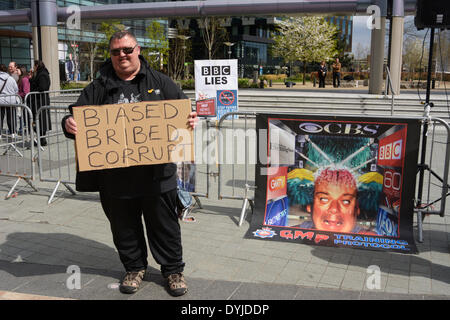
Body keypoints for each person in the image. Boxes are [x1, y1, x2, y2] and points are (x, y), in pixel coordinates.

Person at [61, 30, 198, 296]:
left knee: (165, 227)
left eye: (127, 50)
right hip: (115, 177)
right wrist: (68, 124)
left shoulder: (161, 82)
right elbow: (74, 118)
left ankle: (173, 271)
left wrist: (190, 121)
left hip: (157, 175)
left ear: (138, 51)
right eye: (115, 51)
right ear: (111, 55)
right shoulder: (98, 86)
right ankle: (134, 268)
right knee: (124, 227)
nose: (122, 55)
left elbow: (183, 112)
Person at [298, 167, 376, 234]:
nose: (334, 209)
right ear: (310, 205)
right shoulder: (292, 234)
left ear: (357, 208)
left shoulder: (371, 241)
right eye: (324, 199)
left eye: (346, 201)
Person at [28, 60, 51, 146]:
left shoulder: (42, 74)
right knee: (37, 120)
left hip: (41, 101)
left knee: (41, 120)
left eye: (34, 65)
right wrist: (31, 78)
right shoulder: (40, 73)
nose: (33, 67)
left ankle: (42, 139)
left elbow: (42, 87)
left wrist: (34, 90)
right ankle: (40, 138)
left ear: (37, 65)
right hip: (38, 101)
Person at [0, 64, 19, 137]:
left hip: (1, 100)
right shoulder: (11, 78)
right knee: (11, 117)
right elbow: (16, 89)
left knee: (0, 117)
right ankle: (13, 132)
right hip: (11, 100)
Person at [17, 66, 31, 135]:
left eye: (18, 70)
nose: (17, 72)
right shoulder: (22, 79)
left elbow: (26, 92)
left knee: (25, 116)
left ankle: (26, 130)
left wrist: (18, 94)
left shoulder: (24, 79)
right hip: (23, 100)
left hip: (24, 100)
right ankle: (25, 129)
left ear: (22, 71)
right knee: (23, 116)